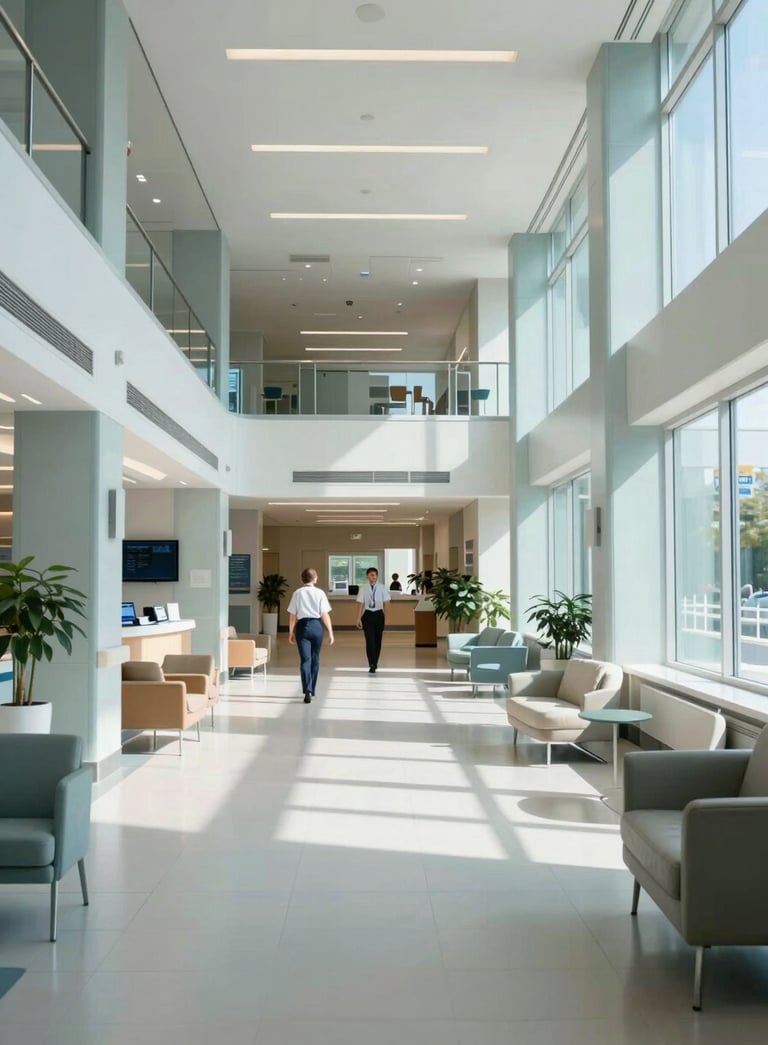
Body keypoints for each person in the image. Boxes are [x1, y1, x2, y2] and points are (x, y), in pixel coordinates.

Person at [287, 567, 334, 703]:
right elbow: (324, 614)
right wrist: (330, 632)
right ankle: (312, 688)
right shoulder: (320, 593)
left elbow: (293, 615)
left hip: (302, 627)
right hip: (316, 626)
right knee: (315, 658)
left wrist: (291, 632)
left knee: (305, 660)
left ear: (302, 579)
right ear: (315, 578)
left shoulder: (297, 593)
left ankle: (306, 690)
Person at [355, 566, 390, 673]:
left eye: (375, 575)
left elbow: (387, 603)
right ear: (367, 576)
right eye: (371, 575)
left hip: (379, 615)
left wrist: (386, 618)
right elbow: (360, 604)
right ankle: (372, 663)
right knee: (369, 640)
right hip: (368, 615)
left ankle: (375, 661)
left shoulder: (382, 587)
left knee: (377, 640)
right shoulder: (363, 588)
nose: (373, 577)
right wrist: (358, 618)